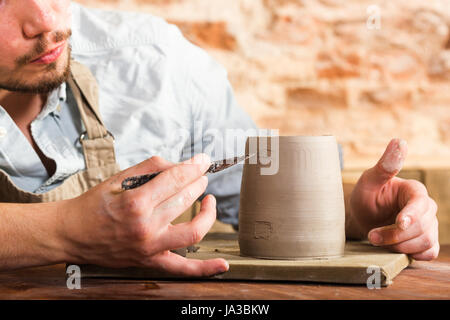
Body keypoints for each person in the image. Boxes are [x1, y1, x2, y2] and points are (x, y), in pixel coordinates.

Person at [0, 1, 439, 274]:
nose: (43, 20)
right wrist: (69, 231)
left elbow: (257, 186)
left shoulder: (156, 59)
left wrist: (360, 214)